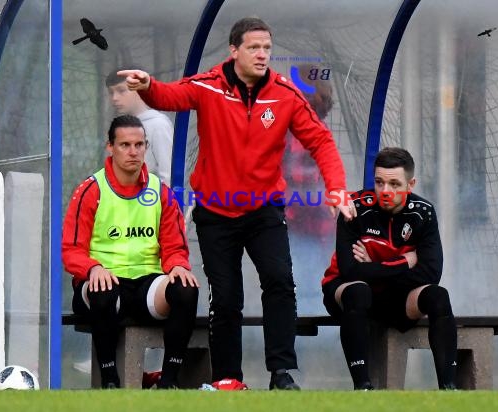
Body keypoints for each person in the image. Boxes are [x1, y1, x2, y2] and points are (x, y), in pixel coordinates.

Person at [118, 16, 356, 390]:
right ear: (234, 50)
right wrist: (147, 85)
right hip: (216, 212)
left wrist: (337, 188)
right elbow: (170, 96)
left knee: (280, 283)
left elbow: (322, 142)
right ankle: (228, 378)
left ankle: (281, 373)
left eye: (267, 48)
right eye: (254, 48)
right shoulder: (209, 86)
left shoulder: (285, 93)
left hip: (264, 210)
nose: (262, 55)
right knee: (226, 297)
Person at [62, 115, 199, 389]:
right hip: (103, 284)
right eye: (125, 145)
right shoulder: (90, 190)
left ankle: (169, 381)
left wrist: (178, 266)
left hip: (146, 286)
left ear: (146, 147)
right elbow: (71, 250)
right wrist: (93, 269)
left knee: (185, 287)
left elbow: (174, 247)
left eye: (139, 144)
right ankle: (110, 379)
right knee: (102, 289)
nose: (133, 151)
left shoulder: (160, 192)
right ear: (110, 147)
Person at [322, 147, 457, 390]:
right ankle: (362, 387)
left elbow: (431, 273)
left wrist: (372, 268)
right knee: (359, 291)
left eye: (395, 184)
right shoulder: (353, 208)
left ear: (410, 184)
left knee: (438, 296)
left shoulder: (423, 213)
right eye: (379, 182)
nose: (385, 191)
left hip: (397, 297)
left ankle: (449, 389)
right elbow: (350, 271)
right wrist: (405, 261)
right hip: (348, 293)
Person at [283, 64, 335, 314]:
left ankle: (306, 347)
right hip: (319, 223)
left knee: (300, 286)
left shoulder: (298, 132)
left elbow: (300, 182)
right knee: (312, 282)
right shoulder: (321, 128)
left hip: (300, 223)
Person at [105, 68, 173, 185]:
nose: (114, 98)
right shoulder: (118, 126)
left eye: (121, 91)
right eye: (111, 92)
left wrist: (159, 201)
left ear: (138, 89)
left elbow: (168, 174)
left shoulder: (158, 125)